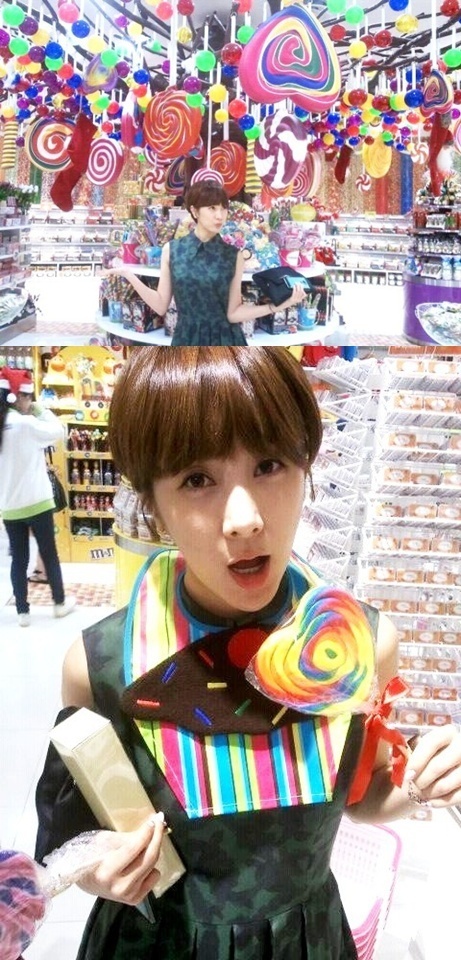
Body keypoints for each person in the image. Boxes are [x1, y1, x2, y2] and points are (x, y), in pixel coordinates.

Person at [34, 348, 461, 960]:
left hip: (304, 940)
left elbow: (365, 794)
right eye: (196, 479)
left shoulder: (362, 643)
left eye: (269, 465)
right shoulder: (102, 665)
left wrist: (425, 780)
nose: (244, 518)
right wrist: (100, 872)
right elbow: (82, 838)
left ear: (306, 467)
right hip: (158, 942)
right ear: (151, 502)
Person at [107, 180, 306, 346]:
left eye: (223, 208)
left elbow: (233, 313)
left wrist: (276, 306)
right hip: (186, 339)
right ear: (194, 211)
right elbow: (160, 305)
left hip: (226, 341)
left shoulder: (233, 255)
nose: (220, 215)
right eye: (212, 208)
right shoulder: (173, 250)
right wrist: (128, 275)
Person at [0, 368, 76, 626]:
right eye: (27, 397)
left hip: (10, 508)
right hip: (37, 502)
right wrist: (40, 410)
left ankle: (22, 612)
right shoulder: (25, 424)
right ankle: (59, 603)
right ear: (17, 397)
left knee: (19, 560)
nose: (29, 401)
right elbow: (57, 431)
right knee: (49, 554)